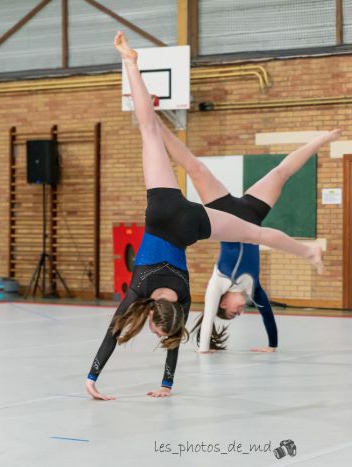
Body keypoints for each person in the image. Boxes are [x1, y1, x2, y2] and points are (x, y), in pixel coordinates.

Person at [85, 32, 323, 401]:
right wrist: (92, 379)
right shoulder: (140, 291)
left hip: (192, 224)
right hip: (163, 212)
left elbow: (173, 339)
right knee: (149, 132)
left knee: (255, 233)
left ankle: (307, 252)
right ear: (151, 315)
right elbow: (112, 334)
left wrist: (168, 384)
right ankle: (130, 62)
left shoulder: (181, 301)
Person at [157, 119, 340, 353]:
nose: (241, 311)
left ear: (223, 302)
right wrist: (271, 346)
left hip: (225, 214)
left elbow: (208, 317)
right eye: (238, 314)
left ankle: (158, 127)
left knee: (195, 168)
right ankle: (321, 139)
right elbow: (268, 316)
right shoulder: (254, 289)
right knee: (281, 172)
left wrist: (204, 348)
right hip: (251, 215)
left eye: (234, 311)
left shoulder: (218, 282)